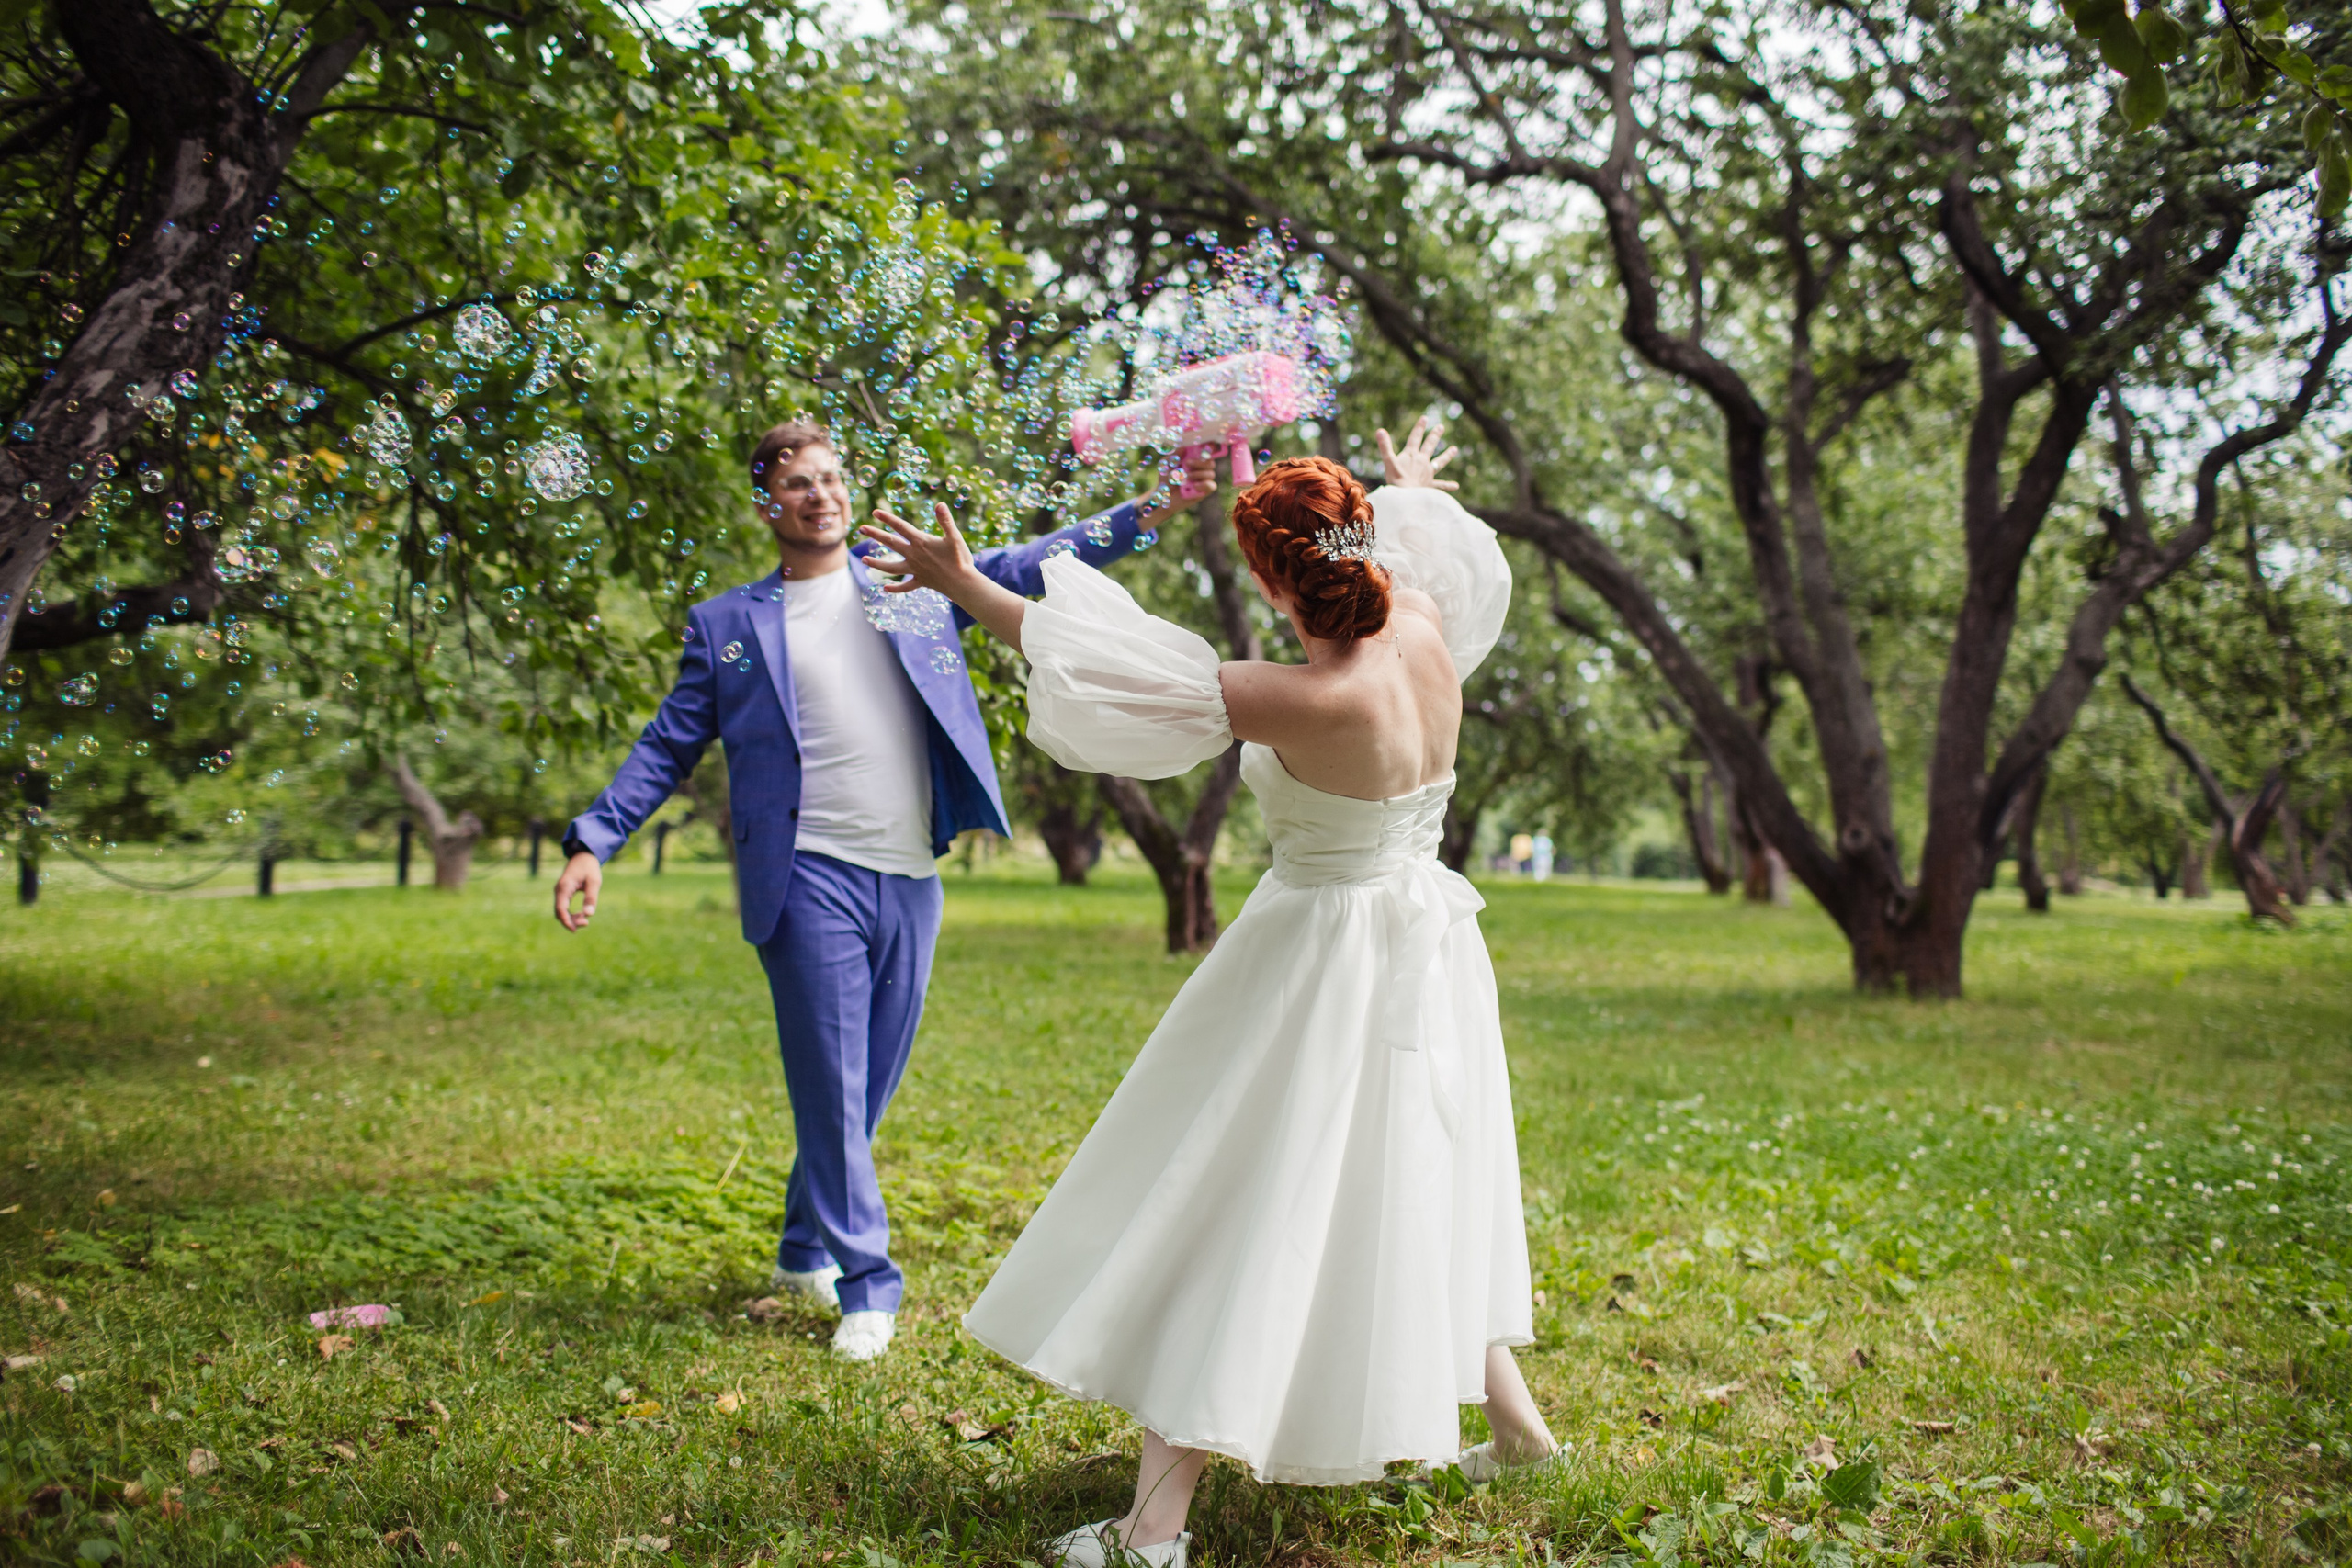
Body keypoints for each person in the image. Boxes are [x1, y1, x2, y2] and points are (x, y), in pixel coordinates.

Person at [859, 418, 1557, 1566]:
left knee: (1232, 1206)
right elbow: (1419, 554)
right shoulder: (1425, 624)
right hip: (1426, 943)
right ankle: (1518, 1432)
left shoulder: (1308, 695)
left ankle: (1151, 1533)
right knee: (1407, 1177)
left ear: (1275, 583)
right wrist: (1408, 490)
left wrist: (966, 586)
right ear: (1366, 542)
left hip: (1324, 963)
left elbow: (1107, 667)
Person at [553, 420, 1215, 1363]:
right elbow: (668, 744)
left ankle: (800, 1249)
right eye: (797, 481)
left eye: (830, 477)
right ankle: (867, 1283)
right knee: (832, 1084)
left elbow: (1038, 562)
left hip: (909, 875)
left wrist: (1151, 509)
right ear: (767, 503)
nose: (819, 493)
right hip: (805, 874)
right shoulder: (730, 624)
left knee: (862, 1088)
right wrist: (595, 839)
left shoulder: (909, 584)